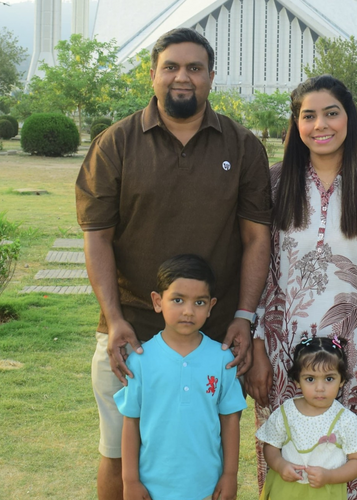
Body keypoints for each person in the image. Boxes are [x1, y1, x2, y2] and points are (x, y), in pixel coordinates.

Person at [75, 27, 271, 500]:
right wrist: (115, 319)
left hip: (213, 335)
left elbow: (256, 238)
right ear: (153, 74)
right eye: (171, 67)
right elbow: (97, 238)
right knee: (119, 453)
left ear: (211, 77)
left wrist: (244, 316)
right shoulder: (116, 143)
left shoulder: (242, 146)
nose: (183, 77)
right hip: (132, 333)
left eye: (195, 68)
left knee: (202, 454)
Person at [244, 75, 357, 499]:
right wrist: (258, 349)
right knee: (293, 463)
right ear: (296, 123)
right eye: (309, 116)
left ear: (349, 118)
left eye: (331, 113)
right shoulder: (274, 184)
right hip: (288, 359)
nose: (320, 125)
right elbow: (260, 272)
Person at [114, 255, 247, 500]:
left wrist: (230, 475)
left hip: (206, 487)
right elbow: (131, 422)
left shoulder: (222, 360)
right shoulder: (140, 361)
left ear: (211, 306)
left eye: (199, 302)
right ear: (158, 302)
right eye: (178, 300)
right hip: (153, 488)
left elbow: (230, 420)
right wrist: (130, 480)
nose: (188, 311)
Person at [256, 336, 357, 500]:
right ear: (297, 381)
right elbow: (270, 447)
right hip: (285, 492)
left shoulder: (346, 420)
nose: (320, 388)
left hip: (326, 495)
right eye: (310, 379)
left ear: (342, 380)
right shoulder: (286, 412)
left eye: (329, 379)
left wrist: (330, 476)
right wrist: (280, 465)